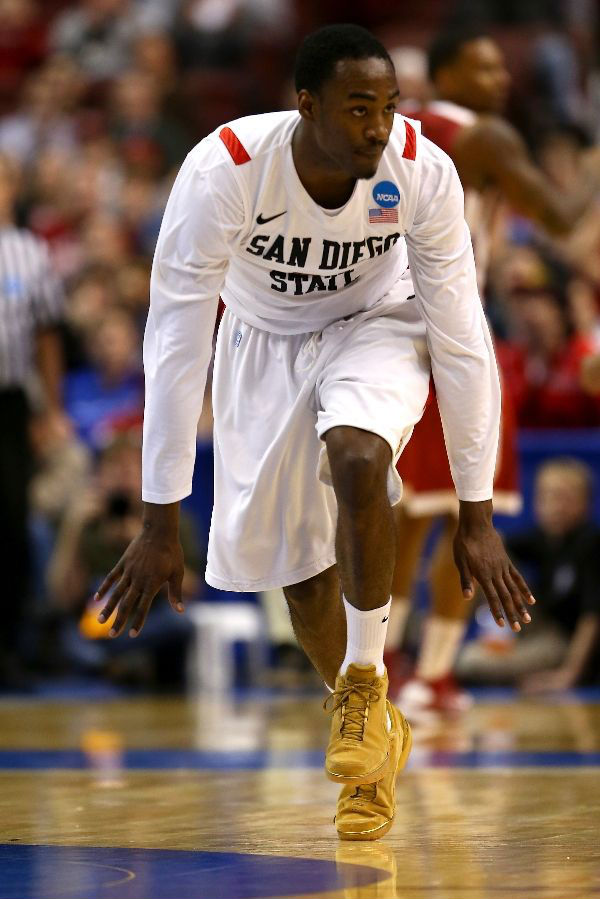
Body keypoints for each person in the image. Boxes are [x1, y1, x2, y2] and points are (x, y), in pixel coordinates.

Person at [94, 24, 534, 841]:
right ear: (306, 105)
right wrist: (160, 516)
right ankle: (367, 736)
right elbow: (175, 338)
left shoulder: (421, 170)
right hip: (262, 339)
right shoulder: (221, 171)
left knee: (360, 453)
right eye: (358, 107)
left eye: (390, 106)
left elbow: (464, 338)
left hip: (379, 321)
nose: (378, 125)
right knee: (300, 578)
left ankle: (366, 684)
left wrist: (477, 513)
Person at [389, 27, 599, 717]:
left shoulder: (396, 130)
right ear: (446, 71)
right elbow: (563, 217)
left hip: (387, 339)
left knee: (407, 516)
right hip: (446, 342)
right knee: (463, 516)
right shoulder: (486, 139)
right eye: (483, 67)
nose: (501, 78)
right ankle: (431, 673)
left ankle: (387, 664)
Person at [0, 152, 66, 687]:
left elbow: (48, 338)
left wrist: (52, 409)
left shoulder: (29, 253)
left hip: (10, 406)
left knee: (11, 523)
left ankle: (10, 648)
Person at [456, 458, 600, 690]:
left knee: (468, 662)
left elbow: (592, 617)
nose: (555, 505)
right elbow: (493, 546)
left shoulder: (591, 544)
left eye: (565, 497)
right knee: (484, 550)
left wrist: (569, 675)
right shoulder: (544, 538)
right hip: (538, 628)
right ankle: (442, 634)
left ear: (586, 503)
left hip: (565, 642)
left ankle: (444, 660)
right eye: (547, 497)